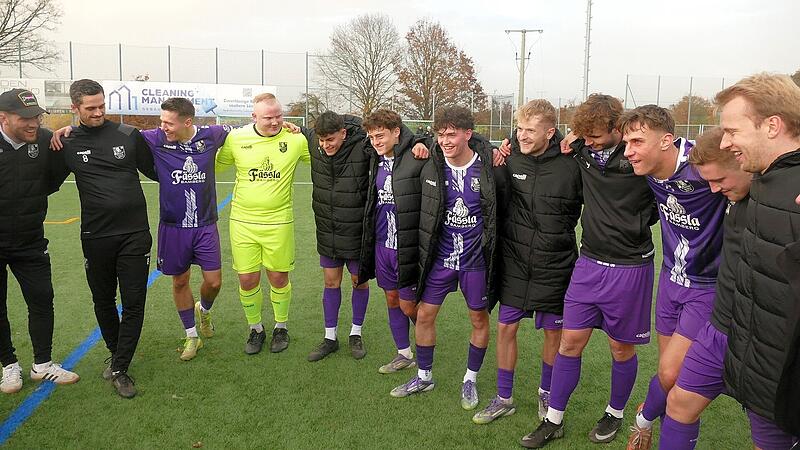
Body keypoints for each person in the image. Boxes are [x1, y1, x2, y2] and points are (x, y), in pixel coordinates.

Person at [522, 94, 658, 448]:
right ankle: (553, 420)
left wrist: (637, 222)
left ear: (617, 128)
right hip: (589, 263)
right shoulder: (580, 148)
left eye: (597, 135)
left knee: (620, 349)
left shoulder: (637, 157)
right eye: (585, 135)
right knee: (569, 342)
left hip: (630, 268)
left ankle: (614, 413)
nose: (591, 141)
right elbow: (540, 146)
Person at [620, 105, 727, 450]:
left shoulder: (702, 166)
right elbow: (597, 138)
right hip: (669, 281)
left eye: (637, 141)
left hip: (705, 287)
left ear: (667, 141)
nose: (628, 151)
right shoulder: (648, 168)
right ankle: (664, 427)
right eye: (626, 142)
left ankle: (642, 420)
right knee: (672, 376)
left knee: (669, 373)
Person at [472, 99, 582, 425]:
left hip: (556, 261)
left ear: (550, 131)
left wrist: (579, 137)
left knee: (553, 334)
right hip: (515, 259)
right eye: (519, 128)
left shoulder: (571, 162)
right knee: (506, 327)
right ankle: (504, 397)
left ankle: (546, 393)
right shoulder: (509, 156)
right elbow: (472, 142)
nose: (522, 135)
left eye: (530, 130)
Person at [390, 106, 505, 413]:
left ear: (469, 134)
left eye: (452, 134)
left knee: (478, 319)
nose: (445, 140)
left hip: (475, 262)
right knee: (423, 315)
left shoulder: (488, 167)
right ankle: (424, 376)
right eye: (440, 134)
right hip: (440, 258)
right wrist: (422, 142)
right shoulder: (430, 161)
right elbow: (398, 138)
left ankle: (470, 378)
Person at [654, 128, 754, 449]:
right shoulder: (727, 194)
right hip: (715, 312)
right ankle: (647, 421)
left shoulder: (772, 195)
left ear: (743, 160)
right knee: (675, 388)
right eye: (708, 181)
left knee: (770, 428)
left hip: (756, 325)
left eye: (719, 180)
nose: (713, 189)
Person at [60, 79, 158, 398]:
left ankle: (119, 368)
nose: (99, 112)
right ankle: (117, 353)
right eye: (91, 108)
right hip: (96, 235)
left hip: (134, 233)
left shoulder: (128, 135)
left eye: (102, 105)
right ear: (75, 108)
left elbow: (157, 170)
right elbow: (42, 179)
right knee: (103, 299)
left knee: (133, 301)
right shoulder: (66, 141)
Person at [717, 73, 800, 449]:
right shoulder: (764, 178)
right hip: (764, 382)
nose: (724, 142)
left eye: (733, 131)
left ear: (772, 125)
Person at [215, 93, 310, 355]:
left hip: (279, 221)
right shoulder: (237, 138)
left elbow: (325, 159)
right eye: (268, 117)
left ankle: (281, 326)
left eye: (279, 115)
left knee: (278, 277)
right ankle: (256, 328)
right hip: (243, 222)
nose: (275, 121)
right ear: (254, 117)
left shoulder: (295, 139)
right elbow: (213, 166)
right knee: (247, 278)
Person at [0, 89, 79, 394]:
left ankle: (42, 365)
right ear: (4, 118)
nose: (34, 123)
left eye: (37, 117)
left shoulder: (46, 141)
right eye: (25, 118)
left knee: (42, 300)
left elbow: (52, 181)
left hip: (31, 241)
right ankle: (9, 366)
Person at [142, 98, 229, 360]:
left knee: (214, 282)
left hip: (205, 225)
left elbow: (249, 129)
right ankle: (192, 335)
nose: (163, 126)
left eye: (169, 122)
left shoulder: (211, 136)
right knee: (180, 281)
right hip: (174, 226)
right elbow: (117, 137)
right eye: (161, 121)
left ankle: (204, 309)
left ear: (187, 122)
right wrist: (69, 130)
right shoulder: (155, 138)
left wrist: (289, 128)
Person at [358, 109, 429, 373]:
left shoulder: (415, 157)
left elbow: (439, 142)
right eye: (372, 136)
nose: (375, 141)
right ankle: (403, 353)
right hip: (381, 244)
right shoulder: (373, 160)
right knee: (391, 299)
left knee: (409, 303)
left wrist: (423, 142)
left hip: (406, 246)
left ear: (397, 132)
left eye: (381, 136)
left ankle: (425, 342)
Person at [304, 111, 371, 361]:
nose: (325, 145)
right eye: (322, 140)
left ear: (343, 133)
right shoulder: (314, 140)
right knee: (331, 283)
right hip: (327, 229)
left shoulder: (363, 144)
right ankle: (330, 337)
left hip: (356, 230)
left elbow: (396, 133)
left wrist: (418, 143)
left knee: (358, 282)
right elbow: (300, 131)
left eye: (330, 139)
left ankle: (356, 333)